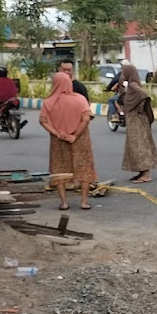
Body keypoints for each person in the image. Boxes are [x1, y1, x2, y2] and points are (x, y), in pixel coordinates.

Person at [38, 72, 97, 211]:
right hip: (80, 139)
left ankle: (64, 202)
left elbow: (43, 121)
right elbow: (86, 119)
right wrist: (75, 135)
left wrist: (57, 133)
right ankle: (84, 202)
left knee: (59, 168)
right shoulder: (80, 99)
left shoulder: (48, 102)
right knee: (84, 168)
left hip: (58, 140)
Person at [117, 63, 157, 183]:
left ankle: (146, 174)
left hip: (138, 121)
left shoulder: (133, 85)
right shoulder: (129, 86)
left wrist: (142, 109)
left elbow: (144, 95)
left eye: (124, 72)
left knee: (140, 146)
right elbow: (123, 98)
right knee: (134, 146)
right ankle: (141, 172)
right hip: (134, 120)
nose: (122, 74)